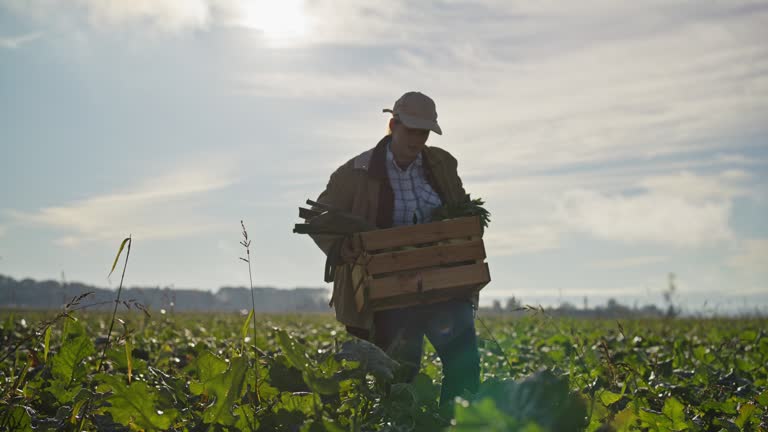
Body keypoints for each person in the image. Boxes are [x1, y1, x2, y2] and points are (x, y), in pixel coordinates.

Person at [309, 91, 480, 410]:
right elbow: (321, 218)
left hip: (443, 283)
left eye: (424, 132)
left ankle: (456, 423)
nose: (418, 139)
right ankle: (399, 423)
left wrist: (466, 228)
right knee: (401, 372)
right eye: (411, 130)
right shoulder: (356, 171)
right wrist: (340, 246)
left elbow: (461, 209)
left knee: (464, 364)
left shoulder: (441, 164)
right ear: (393, 125)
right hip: (390, 290)